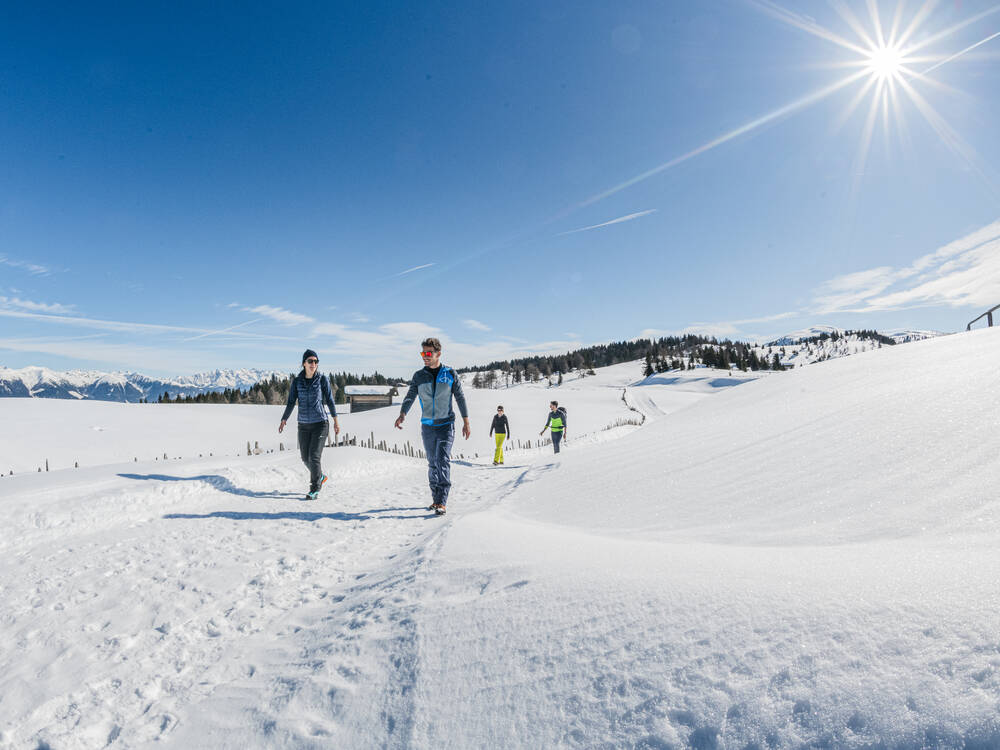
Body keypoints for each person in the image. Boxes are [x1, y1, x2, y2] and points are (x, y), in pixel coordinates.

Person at [395, 337, 470, 515]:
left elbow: (460, 397)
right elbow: (410, 396)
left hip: (446, 425)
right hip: (427, 426)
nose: (425, 357)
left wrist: (466, 421)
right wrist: (402, 414)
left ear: (438, 354)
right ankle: (435, 499)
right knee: (432, 463)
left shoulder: (450, 374)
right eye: (423, 353)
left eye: (428, 353)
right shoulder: (419, 376)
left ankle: (442, 501)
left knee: (442, 460)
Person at [279, 349, 340, 499]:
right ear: (303, 364)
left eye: (316, 361)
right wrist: (284, 419)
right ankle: (319, 476)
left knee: (314, 456)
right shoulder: (297, 381)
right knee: (305, 458)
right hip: (303, 425)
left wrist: (335, 421)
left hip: (320, 423)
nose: (313, 364)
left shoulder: (322, 380)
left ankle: (314, 488)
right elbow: (291, 402)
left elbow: (330, 401)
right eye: (310, 361)